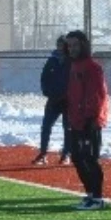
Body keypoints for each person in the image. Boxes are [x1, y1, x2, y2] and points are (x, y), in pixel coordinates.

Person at [64, 30, 108, 210]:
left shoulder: (92, 67)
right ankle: (90, 194)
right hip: (76, 120)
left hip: (89, 121)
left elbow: (97, 94)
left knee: (90, 159)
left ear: (83, 45)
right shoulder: (74, 66)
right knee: (76, 157)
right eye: (70, 45)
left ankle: (97, 198)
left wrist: (92, 118)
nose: (72, 48)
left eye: (75, 45)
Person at [33, 36, 71, 165]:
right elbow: (44, 78)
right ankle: (43, 153)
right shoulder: (52, 61)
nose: (60, 48)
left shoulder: (72, 61)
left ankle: (65, 154)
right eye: (59, 45)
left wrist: (68, 94)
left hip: (67, 101)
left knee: (68, 128)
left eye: (63, 45)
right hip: (53, 100)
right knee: (46, 126)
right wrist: (47, 91)